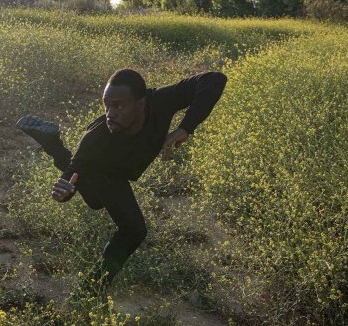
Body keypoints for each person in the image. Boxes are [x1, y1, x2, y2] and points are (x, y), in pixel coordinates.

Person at [16, 69, 226, 292]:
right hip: (103, 169)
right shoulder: (95, 139)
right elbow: (72, 175)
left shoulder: (160, 102)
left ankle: (52, 142)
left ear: (140, 104)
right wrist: (63, 193)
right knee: (132, 228)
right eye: (106, 105)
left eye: (118, 106)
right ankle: (92, 290)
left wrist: (185, 129)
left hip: (119, 169)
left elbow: (214, 80)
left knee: (97, 202)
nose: (110, 113)